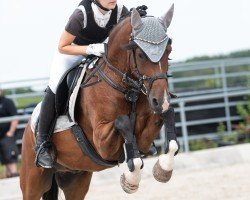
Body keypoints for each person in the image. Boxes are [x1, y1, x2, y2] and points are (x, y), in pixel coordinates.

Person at [35, 0, 131, 168]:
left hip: (100, 53)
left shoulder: (121, 10)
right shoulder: (81, 14)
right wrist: (90, 49)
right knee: (55, 86)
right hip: (71, 54)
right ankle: (42, 143)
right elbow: (62, 46)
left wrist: (140, 20)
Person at [0, 87, 19, 178]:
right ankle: (9, 174)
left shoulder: (7, 102)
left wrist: (10, 132)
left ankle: (14, 173)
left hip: (6, 134)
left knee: (9, 153)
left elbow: (15, 117)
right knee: (3, 156)